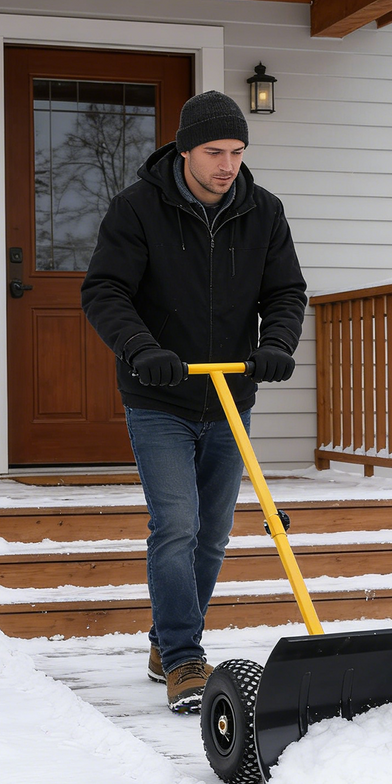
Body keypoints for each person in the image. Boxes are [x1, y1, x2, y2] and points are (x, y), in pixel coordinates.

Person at [81, 91, 307, 713]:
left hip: (230, 392)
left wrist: (277, 344)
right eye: (214, 152)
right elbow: (104, 290)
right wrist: (139, 348)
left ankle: (166, 642)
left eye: (237, 152)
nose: (227, 164)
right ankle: (183, 657)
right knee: (176, 524)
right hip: (160, 396)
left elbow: (286, 291)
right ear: (184, 151)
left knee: (212, 533)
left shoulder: (264, 211)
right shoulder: (137, 208)